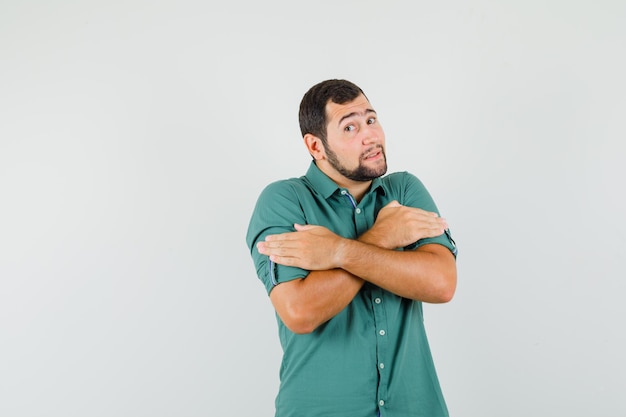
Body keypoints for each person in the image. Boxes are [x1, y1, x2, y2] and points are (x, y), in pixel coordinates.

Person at [245, 79, 458, 417]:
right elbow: (300, 311)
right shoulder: (284, 201)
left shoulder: (403, 190)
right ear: (316, 146)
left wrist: (338, 252)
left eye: (371, 120)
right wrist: (382, 236)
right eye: (350, 127)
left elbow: (441, 284)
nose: (370, 136)